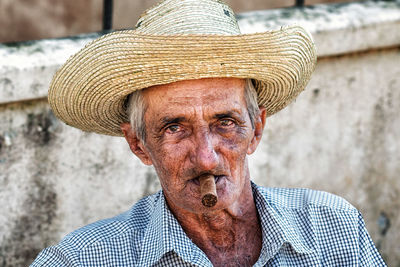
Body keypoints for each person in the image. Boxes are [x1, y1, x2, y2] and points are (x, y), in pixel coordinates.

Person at [32, 0, 385, 266]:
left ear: (256, 128)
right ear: (138, 144)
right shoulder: (82, 259)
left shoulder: (333, 227)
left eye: (225, 123)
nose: (205, 156)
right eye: (175, 128)